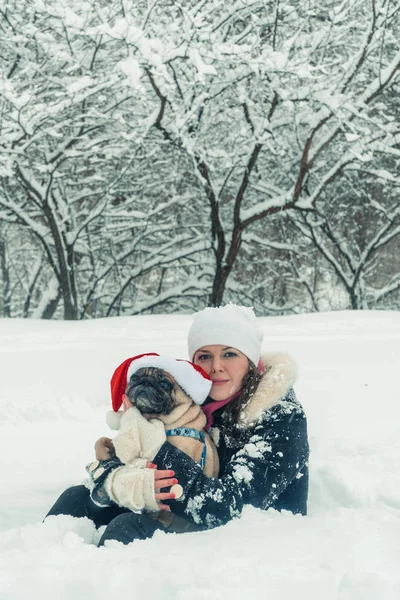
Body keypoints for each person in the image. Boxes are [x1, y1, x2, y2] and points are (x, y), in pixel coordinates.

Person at [46, 304, 309, 545]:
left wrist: (155, 447)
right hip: (185, 510)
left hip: (251, 538)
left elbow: (227, 506)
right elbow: (136, 450)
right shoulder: (193, 400)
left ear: (251, 361)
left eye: (229, 354)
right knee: (77, 499)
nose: (216, 366)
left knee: (128, 528)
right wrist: (115, 476)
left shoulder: (281, 417)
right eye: (204, 356)